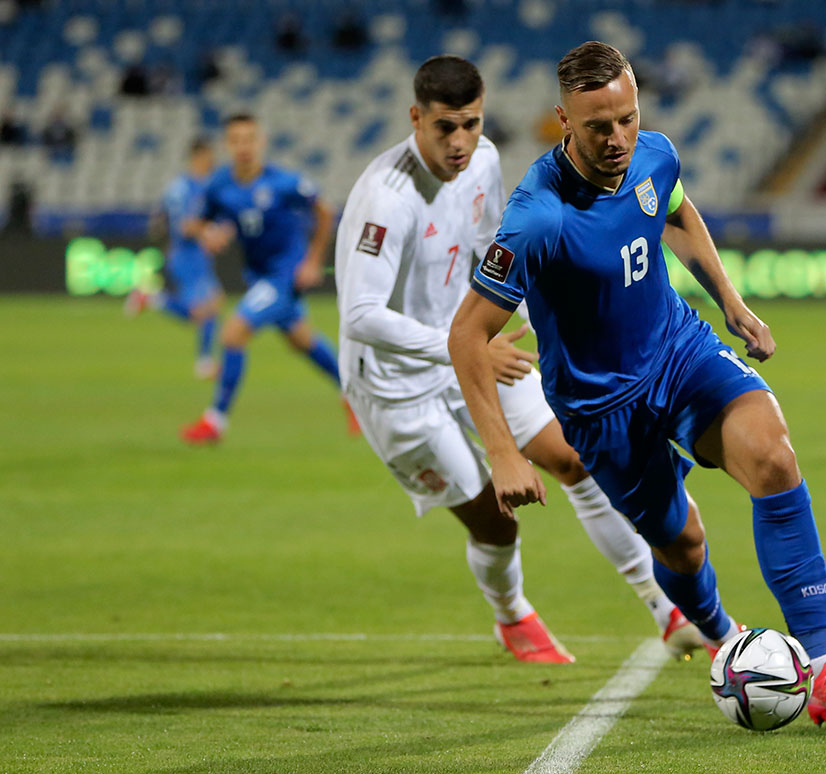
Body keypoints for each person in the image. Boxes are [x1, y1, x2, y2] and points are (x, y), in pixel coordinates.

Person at [449, 41, 826, 724]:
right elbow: (466, 336)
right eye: (598, 126)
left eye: (627, 118)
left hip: (678, 353)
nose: (618, 138)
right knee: (682, 544)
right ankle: (725, 638)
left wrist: (730, 301)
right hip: (602, 409)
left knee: (774, 456)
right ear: (562, 120)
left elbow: (677, 214)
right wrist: (504, 453)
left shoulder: (654, 154)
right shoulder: (538, 218)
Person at [336, 55, 701, 664]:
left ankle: (668, 611)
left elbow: (494, 255)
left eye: (472, 124)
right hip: (397, 386)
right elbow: (360, 316)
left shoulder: (482, 163)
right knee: (497, 520)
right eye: (445, 127)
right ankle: (512, 616)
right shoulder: (385, 198)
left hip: (479, 352)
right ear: (415, 118)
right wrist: (467, 346)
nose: (461, 142)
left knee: (575, 459)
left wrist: (526, 324)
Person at [181, 113, 358, 442]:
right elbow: (190, 224)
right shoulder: (220, 185)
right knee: (301, 340)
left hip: (284, 275)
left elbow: (324, 211)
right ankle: (353, 394)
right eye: (236, 140)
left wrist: (313, 260)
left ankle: (215, 421)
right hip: (259, 275)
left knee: (233, 333)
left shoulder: (284, 182)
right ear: (227, 145)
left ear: (261, 142)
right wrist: (208, 231)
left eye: (250, 139)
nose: (243, 146)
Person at [125, 138, 223, 379]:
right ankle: (204, 362)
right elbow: (183, 226)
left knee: (205, 309)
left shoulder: (203, 186)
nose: (212, 161)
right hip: (186, 257)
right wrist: (209, 232)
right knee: (208, 308)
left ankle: (151, 298)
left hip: (196, 256)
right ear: (197, 157)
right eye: (208, 156)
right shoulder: (183, 188)